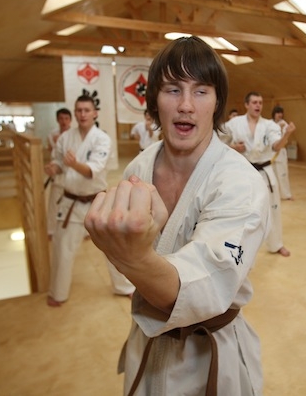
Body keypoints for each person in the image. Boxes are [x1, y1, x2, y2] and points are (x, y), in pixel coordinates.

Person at [84, 36, 270, 396]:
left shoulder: (240, 183)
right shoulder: (139, 167)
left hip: (211, 354)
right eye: (172, 89)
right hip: (147, 341)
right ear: (154, 100)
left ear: (217, 103)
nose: (186, 105)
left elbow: (205, 290)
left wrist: (130, 257)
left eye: (201, 91)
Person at [44, 95, 133, 307]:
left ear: (95, 113)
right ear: (75, 113)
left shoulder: (102, 139)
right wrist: (54, 168)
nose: (82, 114)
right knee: (62, 249)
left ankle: (124, 286)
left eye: (86, 110)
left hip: (97, 201)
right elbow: (59, 162)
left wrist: (73, 164)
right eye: (79, 110)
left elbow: (92, 171)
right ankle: (58, 292)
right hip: (70, 201)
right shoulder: (66, 138)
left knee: (113, 247)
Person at [226, 92, 295, 257]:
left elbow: (276, 146)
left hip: (265, 171)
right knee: (238, 210)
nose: (258, 105)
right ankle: (235, 246)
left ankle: (276, 244)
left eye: (260, 102)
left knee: (273, 208)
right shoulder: (234, 123)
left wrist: (286, 134)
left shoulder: (269, 125)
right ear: (246, 105)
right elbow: (219, 141)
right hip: (242, 171)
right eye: (254, 102)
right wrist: (234, 147)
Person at [46, 108, 72, 239]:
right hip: (58, 173)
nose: (64, 121)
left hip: (73, 173)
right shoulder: (52, 135)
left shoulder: (75, 135)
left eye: (66, 118)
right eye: (61, 118)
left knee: (76, 204)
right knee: (54, 203)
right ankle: (51, 230)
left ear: (70, 120)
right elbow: (51, 151)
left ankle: (84, 231)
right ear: (57, 119)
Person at [271, 105, 293, 200]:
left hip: (280, 151)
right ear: (274, 114)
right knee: (271, 175)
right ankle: (272, 194)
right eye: (277, 113)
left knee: (282, 174)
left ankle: (286, 195)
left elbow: (283, 138)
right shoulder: (269, 123)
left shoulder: (285, 124)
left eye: (281, 113)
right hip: (271, 152)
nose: (279, 115)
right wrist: (277, 127)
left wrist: (279, 128)